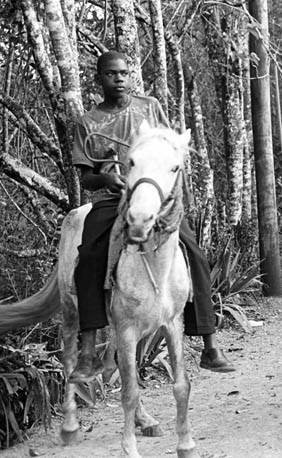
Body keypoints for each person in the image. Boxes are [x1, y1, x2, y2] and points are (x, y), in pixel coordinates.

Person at [68, 51, 234, 382]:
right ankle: (88, 350)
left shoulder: (150, 107)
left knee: (196, 255)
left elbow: (169, 148)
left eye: (125, 73)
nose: (120, 79)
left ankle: (209, 344)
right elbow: (86, 178)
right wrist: (106, 179)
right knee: (88, 258)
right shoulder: (88, 123)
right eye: (112, 74)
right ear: (99, 78)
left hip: (157, 198)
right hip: (113, 199)